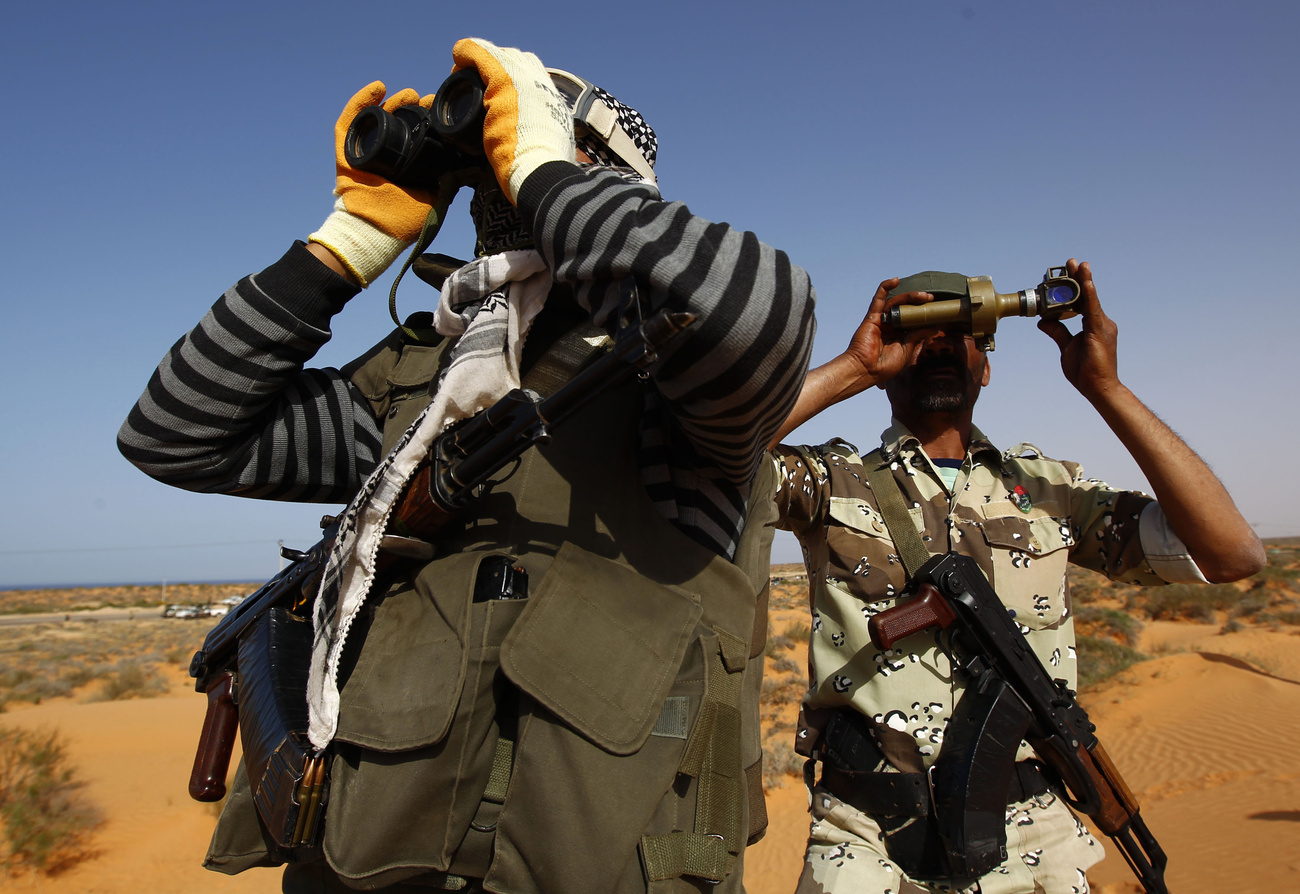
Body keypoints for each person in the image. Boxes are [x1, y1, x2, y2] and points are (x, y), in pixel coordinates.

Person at [118, 39, 815, 893]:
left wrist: (543, 171)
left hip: (596, 861)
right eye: (484, 154)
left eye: (510, 147)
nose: (491, 178)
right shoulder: (429, 373)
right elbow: (179, 432)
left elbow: (756, 312)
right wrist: (347, 243)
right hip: (375, 859)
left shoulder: (678, 371)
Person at [770, 264, 1264, 894]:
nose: (944, 345)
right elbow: (713, 452)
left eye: (963, 333)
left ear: (987, 363)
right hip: (866, 839)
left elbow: (1232, 554)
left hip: (1034, 839)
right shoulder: (832, 481)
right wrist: (852, 370)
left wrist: (1105, 386)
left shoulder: (1051, 492)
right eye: (924, 331)